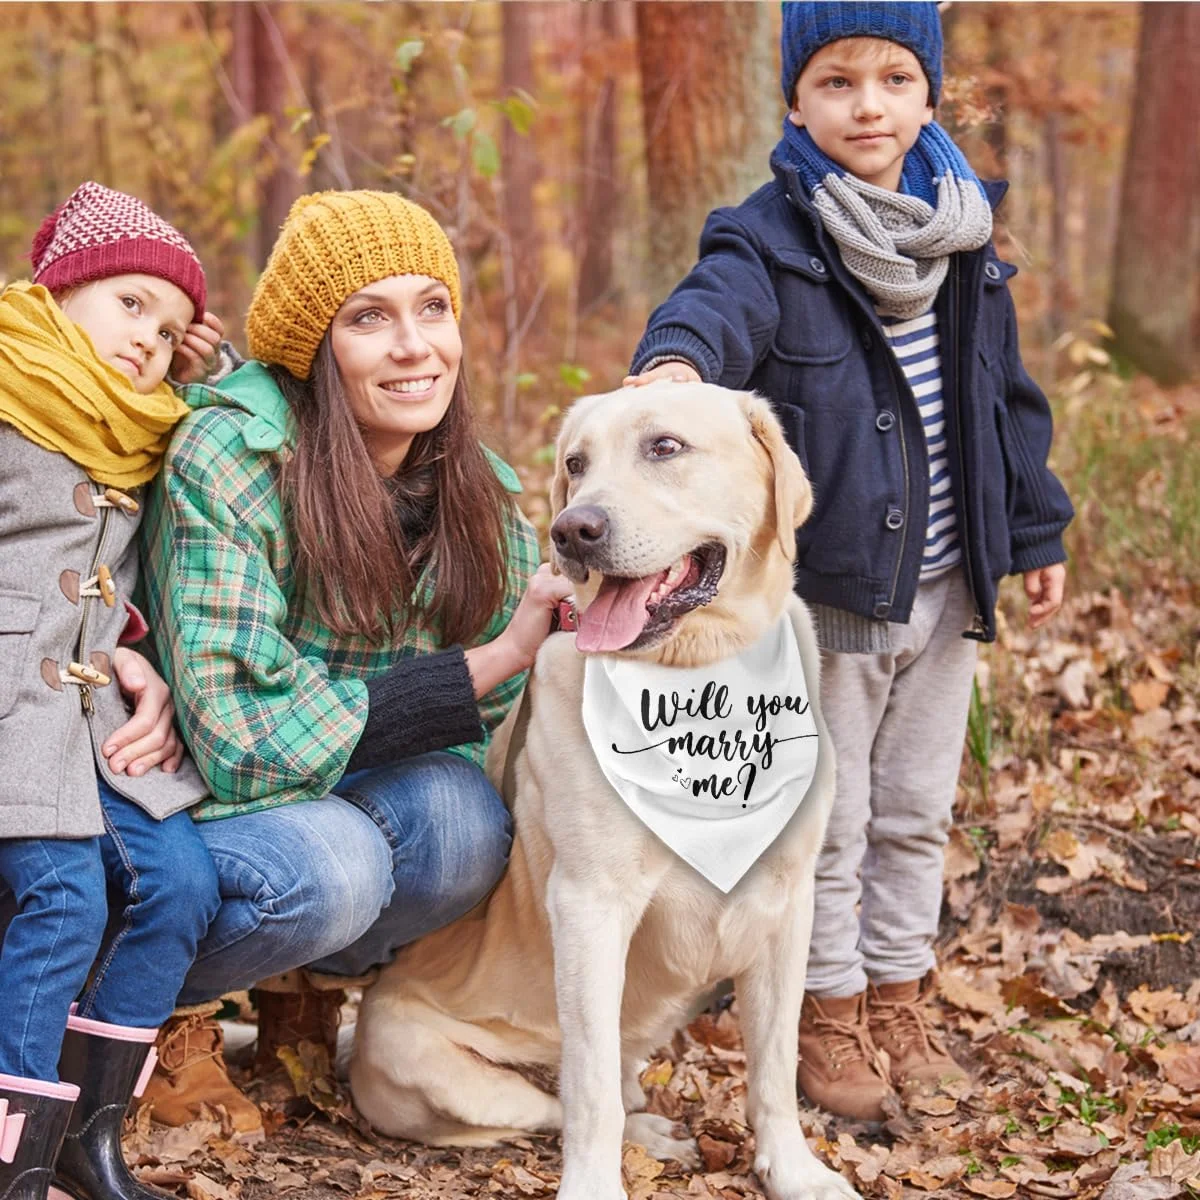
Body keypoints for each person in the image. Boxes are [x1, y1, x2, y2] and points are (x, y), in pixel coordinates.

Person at [626, 2, 1073, 1121]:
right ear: (795, 100)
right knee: (829, 816)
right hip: (835, 592)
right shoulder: (769, 234)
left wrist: (1035, 530)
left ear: (930, 96)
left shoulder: (963, 237)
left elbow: (1004, 403)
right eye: (836, 82)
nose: (866, 105)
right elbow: (711, 305)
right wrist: (678, 364)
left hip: (950, 578)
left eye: (891, 80)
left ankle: (897, 999)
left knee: (918, 810)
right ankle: (823, 1013)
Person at [138, 189, 571, 1123]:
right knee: (337, 867)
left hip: (331, 779)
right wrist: (489, 662)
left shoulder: (478, 492)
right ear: (313, 348)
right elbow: (239, 737)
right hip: (191, 803)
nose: (415, 346)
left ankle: (300, 992)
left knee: (462, 827)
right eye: (369, 318)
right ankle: (155, 1019)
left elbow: (474, 734)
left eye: (433, 308)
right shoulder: (231, 456)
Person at [0, 181, 227, 1200]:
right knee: (62, 897)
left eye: (169, 326)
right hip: (11, 709)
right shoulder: (11, 385)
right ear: (66, 287)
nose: (149, 337)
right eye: (130, 302)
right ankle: (13, 1152)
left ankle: (89, 1137)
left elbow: (109, 568)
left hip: (85, 715)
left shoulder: (141, 427)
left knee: (180, 883)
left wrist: (129, 639)